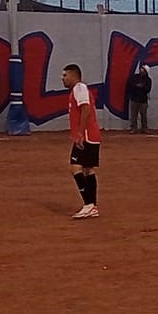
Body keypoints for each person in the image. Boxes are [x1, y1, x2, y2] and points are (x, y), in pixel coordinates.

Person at [63, 62, 102, 218]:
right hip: (90, 135)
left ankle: (88, 204)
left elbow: (86, 109)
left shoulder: (79, 88)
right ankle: (92, 206)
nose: (63, 78)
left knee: (75, 167)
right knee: (87, 169)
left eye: (65, 75)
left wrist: (79, 134)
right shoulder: (78, 90)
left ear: (74, 75)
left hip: (86, 135)